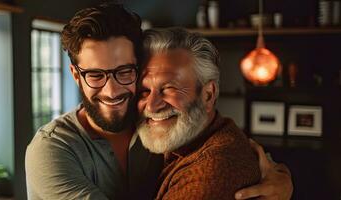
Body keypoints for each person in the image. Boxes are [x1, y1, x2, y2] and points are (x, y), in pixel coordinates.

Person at [25, 3, 293, 200]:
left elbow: (237, 153)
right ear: (75, 74)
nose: (112, 90)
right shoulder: (52, 150)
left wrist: (282, 180)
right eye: (95, 75)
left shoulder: (153, 124)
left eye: (124, 72)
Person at [136, 27, 274, 199]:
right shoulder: (184, 140)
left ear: (208, 95)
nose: (151, 105)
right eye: (143, 90)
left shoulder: (208, 173)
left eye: (169, 88)